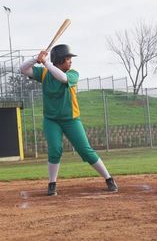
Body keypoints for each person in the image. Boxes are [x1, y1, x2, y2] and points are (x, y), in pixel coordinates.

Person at [20, 44, 118, 196]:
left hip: (71, 120)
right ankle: (52, 184)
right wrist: (36, 58)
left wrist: (46, 62)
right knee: (55, 150)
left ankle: (109, 178)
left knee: (85, 151)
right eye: (67, 59)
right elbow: (23, 69)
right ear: (59, 60)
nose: (70, 61)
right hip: (51, 120)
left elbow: (63, 78)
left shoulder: (73, 74)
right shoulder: (45, 74)